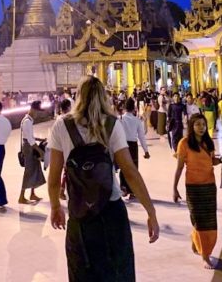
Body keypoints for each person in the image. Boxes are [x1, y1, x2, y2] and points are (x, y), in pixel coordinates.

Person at [48, 75, 159, 281]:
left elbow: (54, 177)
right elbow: (130, 171)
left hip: (80, 214)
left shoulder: (61, 126)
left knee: (82, 272)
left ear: (78, 95)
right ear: (103, 97)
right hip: (110, 211)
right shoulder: (112, 124)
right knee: (118, 273)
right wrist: (150, 211)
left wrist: (56, 206)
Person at [173, 114, 219, 269]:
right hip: (193, 187)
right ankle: (205, 256)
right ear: (192, 126)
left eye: (203, 124)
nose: (201, 127)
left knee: (209, 221)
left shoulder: (208, 142)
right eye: (198, 124)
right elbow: (179, 167)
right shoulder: (184, 143)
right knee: (198, 220)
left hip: (209, 186)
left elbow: (212, 160)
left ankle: (201, 246)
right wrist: (174, 188)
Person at [120, 97, 150, 198]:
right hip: (133, 146)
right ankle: (132, 191)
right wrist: (146, 151)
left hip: (123, 145)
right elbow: (141, 136)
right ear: (134, 108)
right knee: (133, 168)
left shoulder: (120, 119)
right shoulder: (136, 121)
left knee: (123, 166)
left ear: (124, 107)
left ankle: (123, 186)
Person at [19, 100, 46, 204]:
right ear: (32, 109)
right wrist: (40, 151)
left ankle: (32, 194)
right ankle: (21, 196)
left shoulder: (29, 120)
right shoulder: (27, 122)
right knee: (29, 171)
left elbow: (30, 136)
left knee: (35, 169)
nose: (38, 114)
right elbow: (30, 140)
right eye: (37, 111)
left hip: (30, 146)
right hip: (29, 148)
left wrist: (39, 139)